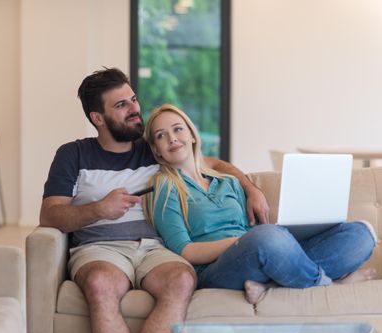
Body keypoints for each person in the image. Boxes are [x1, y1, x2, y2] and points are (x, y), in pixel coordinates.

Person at [40, 68, 271, 333]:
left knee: (182, 280)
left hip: (156, 247)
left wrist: (251, 188)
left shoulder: (154, 147)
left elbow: (211, 163)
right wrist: (100, 209)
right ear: (97, 118)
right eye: (121, 104)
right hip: (100, 247)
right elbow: (50, 214)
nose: (135, 109)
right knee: (100, 284)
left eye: (133, 99)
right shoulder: (73, 154)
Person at [143, 103, 377, 305]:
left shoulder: (228, 181)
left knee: (361, 233)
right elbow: (185, 250)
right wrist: (241, 241)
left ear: (192, 135)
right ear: (158, 151)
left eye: (177, 129)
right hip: (217, 270)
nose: (172, 138)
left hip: (255, 254)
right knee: (267, 238)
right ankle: (328, 284)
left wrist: (283, 234)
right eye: (161, 135)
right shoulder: (164, 186)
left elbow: (250, 229)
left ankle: (272, 285)